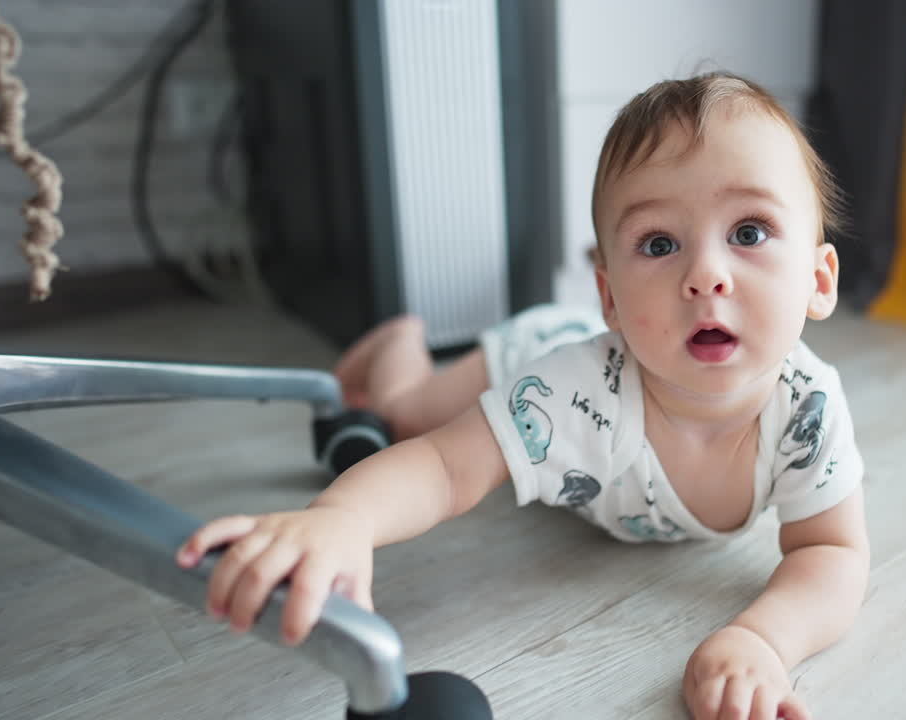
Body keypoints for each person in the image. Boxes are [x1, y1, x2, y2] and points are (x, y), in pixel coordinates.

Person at [177, 71, 869, 720]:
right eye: (659, 244)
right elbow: (445, 469)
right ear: (611, 300)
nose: (705, 275)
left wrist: (763, 640)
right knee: (409, 413)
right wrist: (342, 518)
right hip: (534, 349)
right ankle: (400, 345)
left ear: (818, 280)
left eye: (749, 232)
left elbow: (831, 554)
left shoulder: (806, 410)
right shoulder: (567, 390)